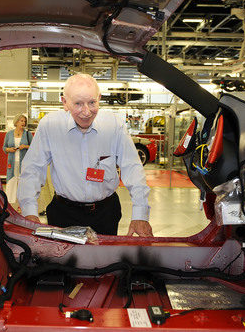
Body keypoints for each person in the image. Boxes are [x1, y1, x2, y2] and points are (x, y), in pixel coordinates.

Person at [17, 73, 153, 236]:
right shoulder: (50, 125)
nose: (86, 112)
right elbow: (32, 169)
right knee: (64, 261)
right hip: (63, 214)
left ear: (99, 98)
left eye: (92, 102)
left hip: (106, 213)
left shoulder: (114, 125)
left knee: (106, 261)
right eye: (78, 104)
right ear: (64, 103)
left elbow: (132, 167)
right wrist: (29, 212)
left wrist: (141, 214)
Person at [3, 114, 32, 205]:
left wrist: (26, 146)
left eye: (24, 121)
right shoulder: (9, 134)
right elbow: (4, 147)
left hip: (24, 163)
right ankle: (9, 203)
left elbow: (34, 147)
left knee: (23, 183)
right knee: (11, 181)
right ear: (16, 122)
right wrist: (9, 149)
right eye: (21, 121)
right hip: (12, 162)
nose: (23, 123)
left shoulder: (28, 134)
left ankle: (22, 204)